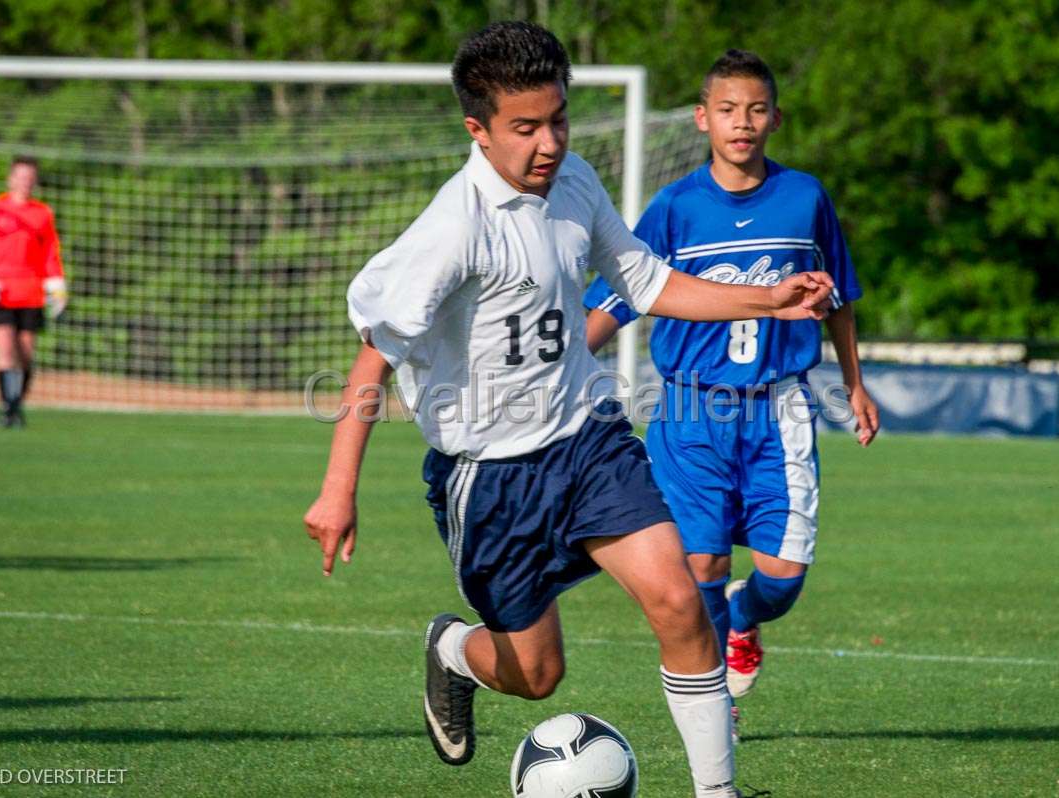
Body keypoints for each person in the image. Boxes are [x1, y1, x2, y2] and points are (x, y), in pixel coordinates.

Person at [303, 24, 835, 798]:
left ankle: (718, 794)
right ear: (477, 131)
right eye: (525, 128)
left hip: (587, 439)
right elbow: (372, 358)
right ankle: (454, 652)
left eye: (557, 119)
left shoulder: (577, 181)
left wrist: (769, 299)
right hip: (489, 479)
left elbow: (647, 284)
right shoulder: (455, 228)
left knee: (681, 598)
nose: (548, 142)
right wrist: (337, 487)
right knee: (536, 675)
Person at [583, 50, 879, 731]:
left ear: (775, 117)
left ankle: (748, 618)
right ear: (701, 119)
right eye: (726, 110)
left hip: (780, 409)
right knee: (702, 561)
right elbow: (622, 296)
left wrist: (854, 385)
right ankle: (713, 702)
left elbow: (839, 299)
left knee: (783, 577)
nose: (741, 122)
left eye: (754, 109)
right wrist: (563, 360)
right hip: (689, 412)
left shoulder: (805, 198)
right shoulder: (675, 207)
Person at [0, 156, 68, 428]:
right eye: (20, 176)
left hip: (30, 292)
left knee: (26, 353)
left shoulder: (42, 213)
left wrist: (57, 285)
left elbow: (50, 252)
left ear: (34, 181)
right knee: (4, 350)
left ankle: (17, 406)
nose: (25, 182)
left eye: (30, 177)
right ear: (11, 178)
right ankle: (8, 410)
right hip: (0, 291)